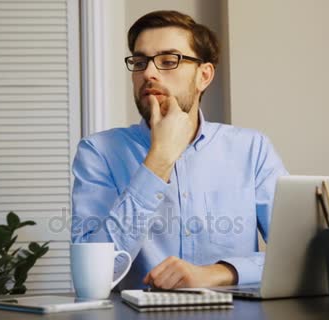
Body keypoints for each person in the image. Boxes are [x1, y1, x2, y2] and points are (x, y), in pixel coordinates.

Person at [71, 10, 287, 290]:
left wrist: (218, 272)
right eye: (139, 62)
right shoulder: (98, 152)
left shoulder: (252, 150)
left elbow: (296, 256)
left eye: (168, 61)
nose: (148, 73)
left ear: (204, 76)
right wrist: (158, 161)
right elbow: (91, 279)